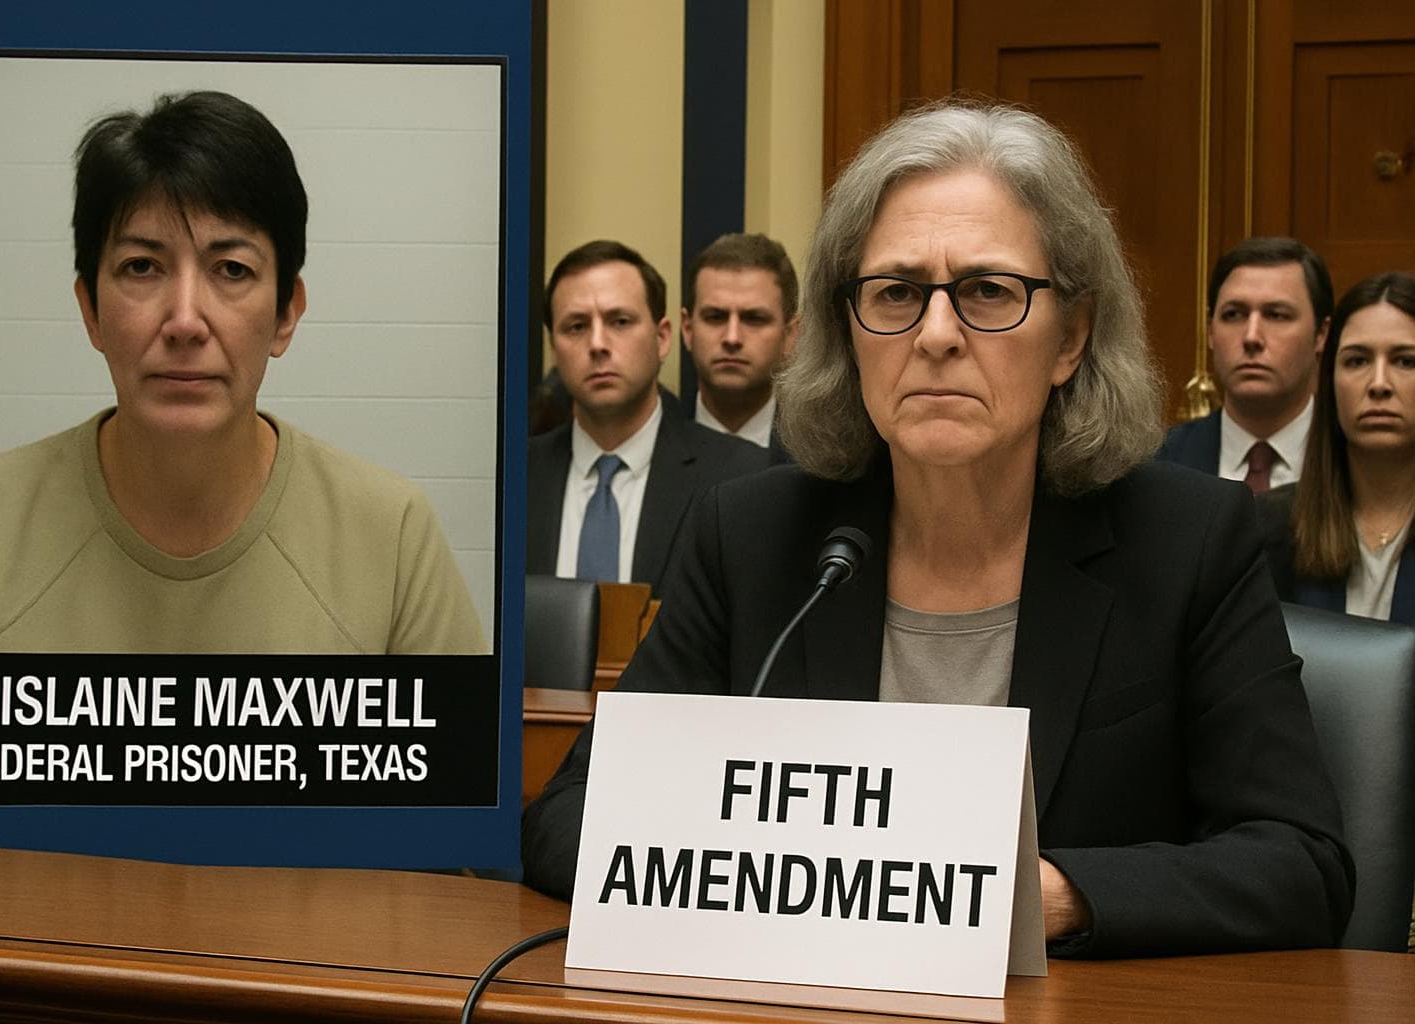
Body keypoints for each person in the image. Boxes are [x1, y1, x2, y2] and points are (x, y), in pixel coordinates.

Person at [522, 101, 1352, 957]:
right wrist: (780, 875)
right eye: (896, 293)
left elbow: (1302, 864)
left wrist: (1051, 897)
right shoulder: (754, 537)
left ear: (1071, 336)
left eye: (989, 291)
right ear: (848, 330)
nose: (937, 335)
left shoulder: (1186, 541)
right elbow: (566, 819)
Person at [0, 90, 484, 654]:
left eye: (232, 270)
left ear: (285, 315)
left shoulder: (392, 539)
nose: (185, 321)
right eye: (142, 267)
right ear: (90, 310)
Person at [528, 240, 769, 591]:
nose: (597, 344)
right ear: (554, 349)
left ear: (662, 338)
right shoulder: (516, 478)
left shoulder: (740, 477)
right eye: (576, 327)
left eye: (620, 321)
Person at [1257, 272, 1415, 622]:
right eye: (1357, 361)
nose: (1378, 384)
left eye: (1406, 361)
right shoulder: (1266, 526)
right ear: (1329, 381)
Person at [1158, 237, 1333, 491]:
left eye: (1276, 315)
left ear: (1321, 334)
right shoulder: (1158, 463)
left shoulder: (1359, 462)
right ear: (1210, 330)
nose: (1251, 337)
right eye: (1234, 315)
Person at [679, 232, 799, 451]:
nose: (732, 338)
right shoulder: (650, 443)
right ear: (687, 330)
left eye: (754, 319)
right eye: (715, 317)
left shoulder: (825, 454)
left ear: (790, 335)